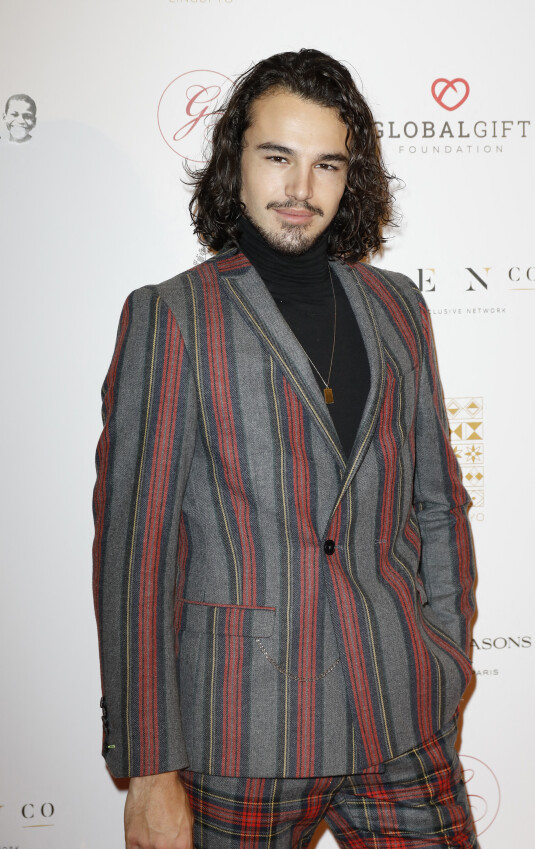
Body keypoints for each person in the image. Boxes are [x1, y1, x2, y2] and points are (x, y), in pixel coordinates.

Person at [93, 48, 479, 849]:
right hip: (242, 730)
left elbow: (439, 500)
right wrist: (152, 770)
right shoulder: (173, 317)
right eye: (278, 157)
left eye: (326, 164)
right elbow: (139, 551)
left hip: (401, 708)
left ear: (350, 178)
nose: (301, 190)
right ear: (236, 163)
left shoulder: (398, 305)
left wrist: (445, 650)